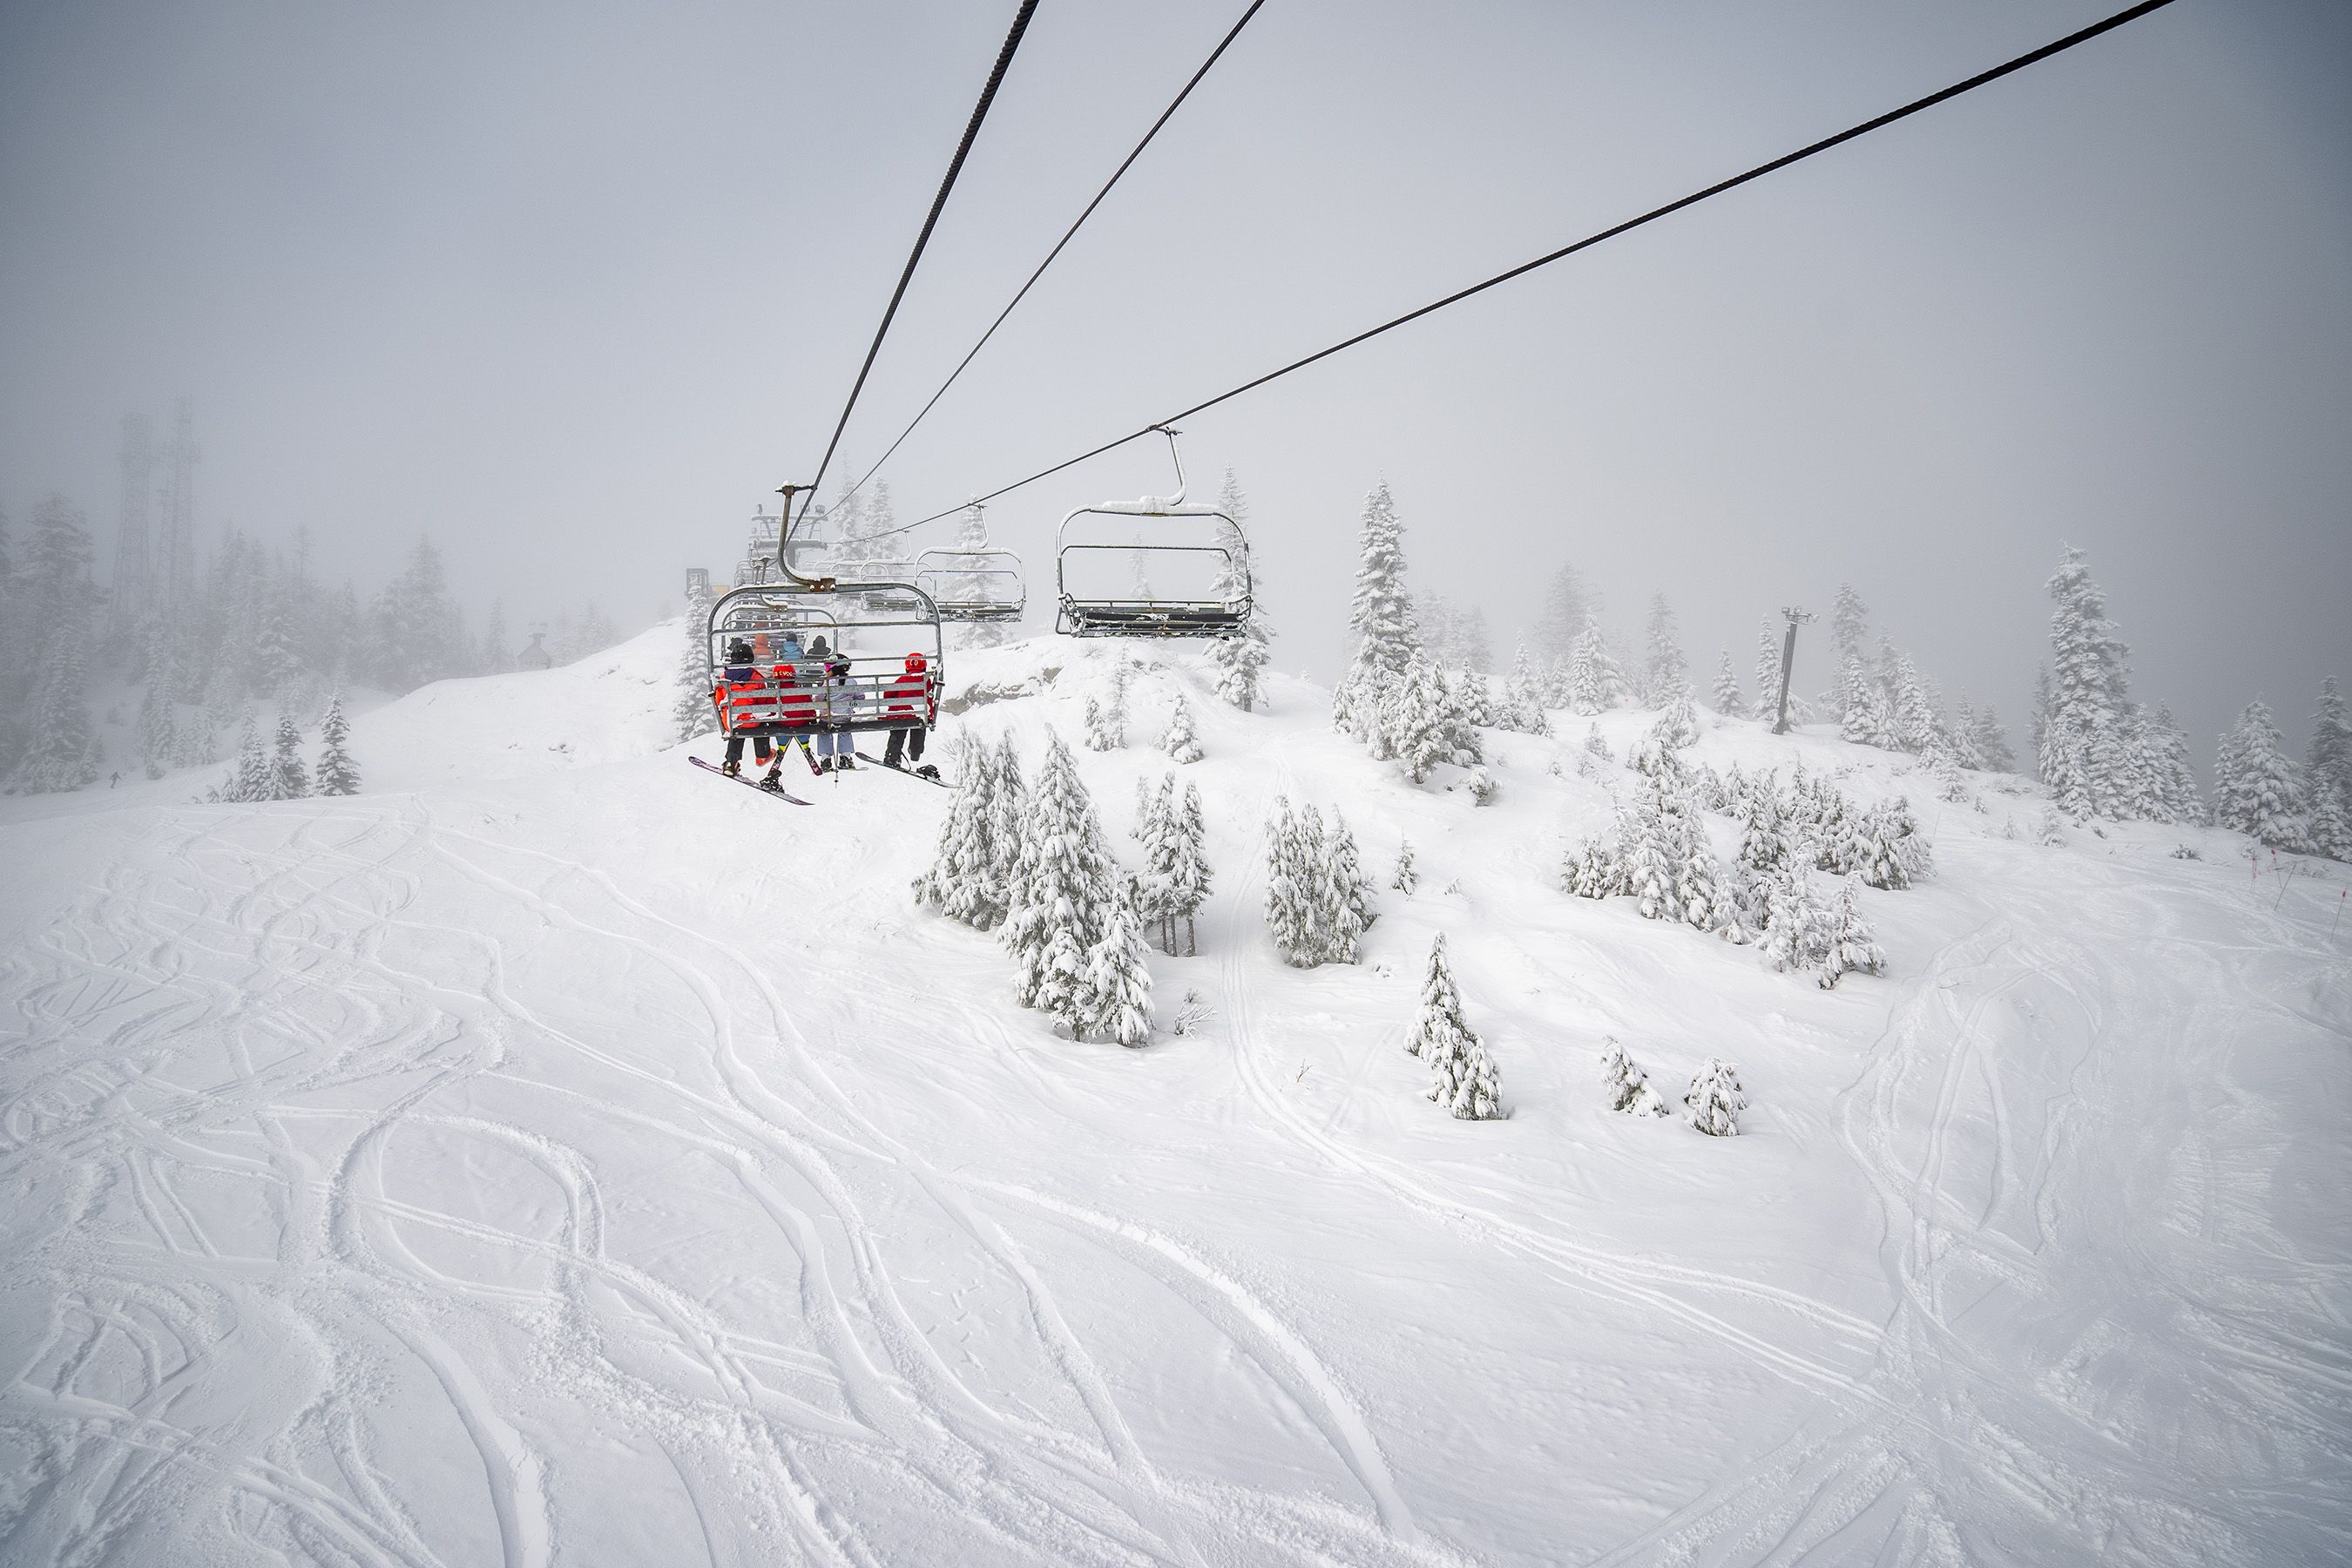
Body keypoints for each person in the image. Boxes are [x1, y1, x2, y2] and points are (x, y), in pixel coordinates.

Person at [715, 637, 774, 777]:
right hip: (753, 721)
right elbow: (763, 699)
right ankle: (762, 755)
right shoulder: (756, 677)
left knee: (737, 727)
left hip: (732, 721)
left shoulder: (724, 678)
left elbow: (719, 700)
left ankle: (731, 762)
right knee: (760, 721)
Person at [881, 652, 935, 773]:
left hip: (900, 715)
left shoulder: (902, 679)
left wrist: (894, 704)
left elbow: (888, 694)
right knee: (919, 727)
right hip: (919, 714)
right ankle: (915, 752)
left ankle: (892, 756)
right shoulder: (926, 680)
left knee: (898, 733)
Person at [808, 635, 855, 773]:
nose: (826, 669)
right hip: (844, 717)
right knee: (845, 730)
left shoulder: (827, 682)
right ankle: (845, 757)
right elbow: (860, 696)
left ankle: (826, 758)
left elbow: (818, 698)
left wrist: (819, 702)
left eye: (828, 666)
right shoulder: (851, 681)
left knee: (824, 732)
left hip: (827, 717)